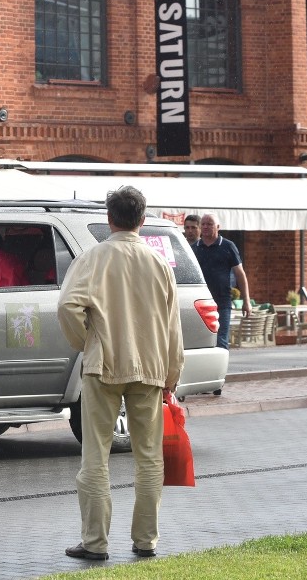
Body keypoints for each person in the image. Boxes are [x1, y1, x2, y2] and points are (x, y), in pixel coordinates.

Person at [57, 185, 184, 561]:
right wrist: (172, 376)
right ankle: (146, 540)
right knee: (148, 457)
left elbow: (67, 306)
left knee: (95, 456)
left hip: (103, 365)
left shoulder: (94, 257)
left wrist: (86, 341)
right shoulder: (159, 263)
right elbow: (172, 327)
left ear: (109, 218)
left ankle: (95, 543)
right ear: (142, 220)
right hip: (150, 368)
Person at [192, 212, 251, 349]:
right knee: (201, 340)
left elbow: (240, 274)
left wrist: (246, 300)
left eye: (210, 224)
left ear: (218, 227)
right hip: (200, 303)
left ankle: (221, 370)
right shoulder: (194, 248)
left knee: (221, 340)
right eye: (204, 224)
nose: (206, 227)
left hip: (222, 302)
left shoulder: (228, 246)